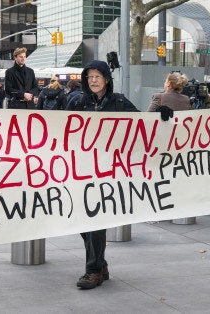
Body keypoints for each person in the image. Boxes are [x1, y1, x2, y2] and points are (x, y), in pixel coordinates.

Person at [66, 60, 139, 290]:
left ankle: (93, 271)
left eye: (98, 76)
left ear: (107, 78)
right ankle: (102, 264)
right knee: (79, 220)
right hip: (80, 170)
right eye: (89, 77)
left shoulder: (119, 102)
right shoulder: (76, 101)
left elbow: (142, 124)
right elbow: (57, 126)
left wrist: (161, 117)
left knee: (95, 220)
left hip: (108, 172)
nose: (93, 80)